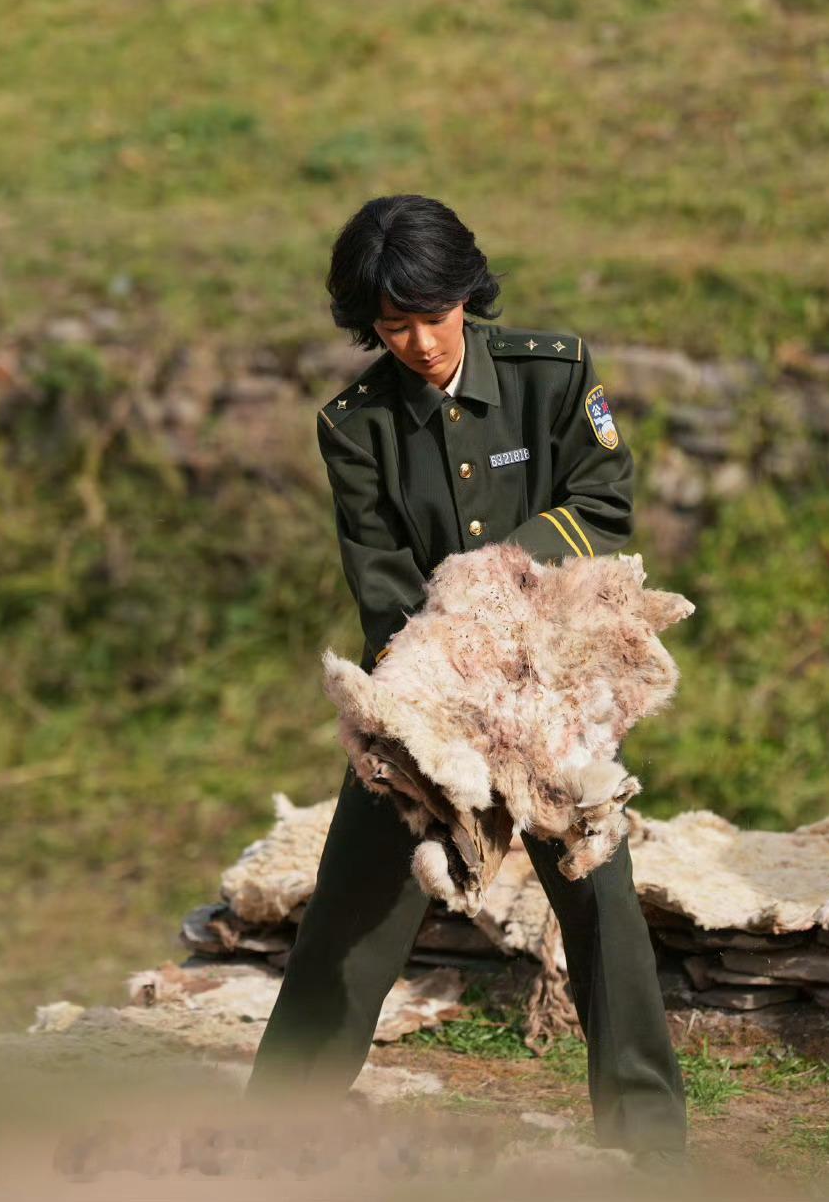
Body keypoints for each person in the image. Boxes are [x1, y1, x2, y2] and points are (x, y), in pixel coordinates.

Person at [244, 194, 687, 1166]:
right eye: (389, 326)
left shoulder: (553, 372)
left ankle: (654, 1157)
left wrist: (494, 587)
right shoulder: (353, 427)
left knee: (602, 910)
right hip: (425, 703)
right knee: (347, 921)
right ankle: (264, 1149)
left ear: (465, 297)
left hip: (546, 692)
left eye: (429, 316)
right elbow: (382, 589)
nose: (414, 342)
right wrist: (435, 696)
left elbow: (602, 507)